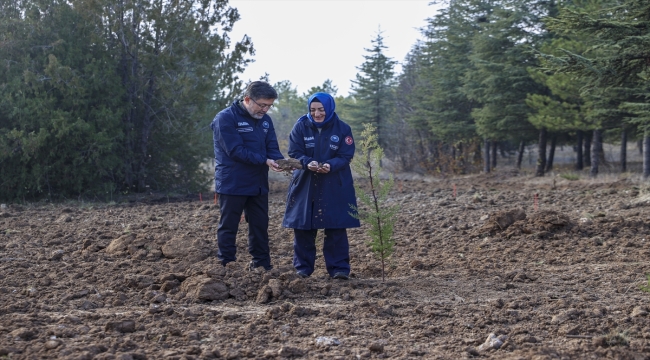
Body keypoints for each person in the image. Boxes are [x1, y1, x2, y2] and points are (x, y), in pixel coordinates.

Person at [282, 92, 360, 280]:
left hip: (334, 182)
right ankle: (303, 269)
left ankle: (339, 269)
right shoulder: (300, 127)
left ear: (329, 108)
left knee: (335, 226)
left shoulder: (342, 128)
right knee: (303, 227)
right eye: (313, 110)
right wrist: (307, 162)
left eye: (321, 110)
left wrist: (330, 165)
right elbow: (294, 152)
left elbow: (346, 155)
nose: (317, 114)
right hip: (305, 182)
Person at [210, 81, 285, 271]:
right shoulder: (225, 118)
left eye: (269, 106)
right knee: (229, 225)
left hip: (258, 183)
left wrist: (281, 163)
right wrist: (265, 161)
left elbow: (272, 148)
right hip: (232, 182)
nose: (266, 110)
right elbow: (235, 151)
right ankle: (226, 265)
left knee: (260, 225)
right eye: (262, 105)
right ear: (247, 99)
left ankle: (261, 265)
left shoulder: (265, 121)